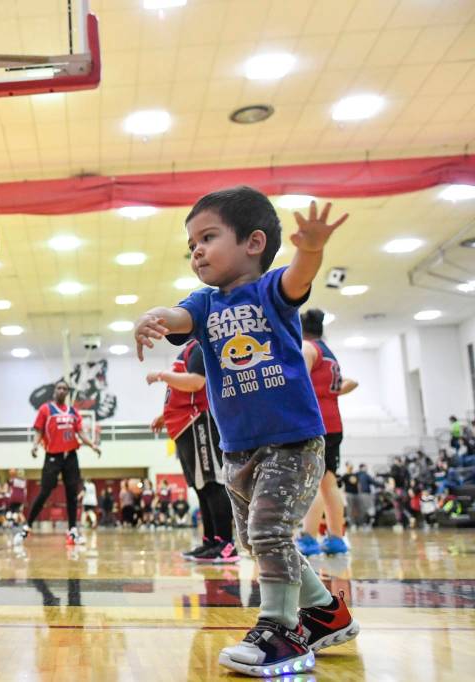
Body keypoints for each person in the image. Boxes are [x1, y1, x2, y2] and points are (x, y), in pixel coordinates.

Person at [133, 188, 358, 675]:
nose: (196, 250)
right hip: (236, 447)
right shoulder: (205, 302)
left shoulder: (270, 291)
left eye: (208, 237)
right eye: (191, 243)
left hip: (292, 440)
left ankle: (282, 631)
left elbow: (300, 277)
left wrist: (312, 248)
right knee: (259, 541)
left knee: (269, 532)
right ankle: (325, 612)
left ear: (253, 242)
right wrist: (153, 316)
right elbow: (181, 317)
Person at [148, 339, 236, 563]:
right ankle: (210, 541)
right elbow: (184, 390)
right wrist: (164, 415)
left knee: (212, 483)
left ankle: (226, 544)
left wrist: (161, 375)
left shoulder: (199, 346)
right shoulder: (187, 350)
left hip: (198, 421)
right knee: (201, 488)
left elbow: (197, 382)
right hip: (184, 425)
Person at [296, 308, 359, 556]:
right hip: (333, 424)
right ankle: (335, 536)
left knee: (313, 484)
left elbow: (295, 381)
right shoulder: (329, 353)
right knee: (329, 483)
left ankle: (309, 537)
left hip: (315, 424)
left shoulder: (307, 348)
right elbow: (342, 384)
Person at [14, 380, 101, 547]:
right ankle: (27, 526)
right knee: (45, 491)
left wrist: (92, 445)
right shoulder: (45, 409)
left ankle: (73, 531)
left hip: (71, 456)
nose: (61, 390)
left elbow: (81, 432)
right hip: (52, 456)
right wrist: (34, 446)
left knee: (72, 494)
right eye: (59, 388)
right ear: (55, 391)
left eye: (64, 389)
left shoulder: (73, 412)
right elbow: (39, 430)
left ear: (68, 392)